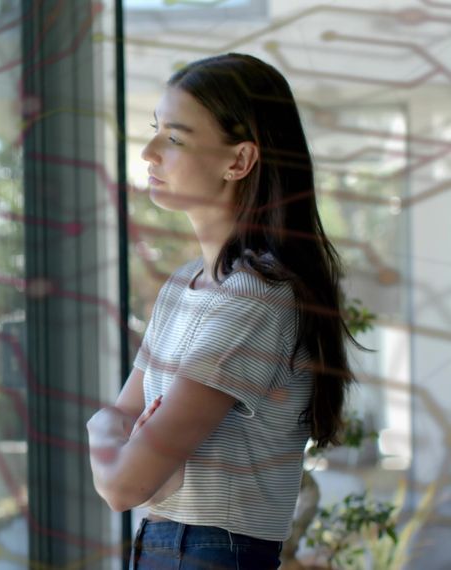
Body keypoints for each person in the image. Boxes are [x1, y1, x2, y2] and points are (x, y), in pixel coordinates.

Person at [86, 53, 362, 569]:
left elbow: (126, 484)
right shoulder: (183, 286)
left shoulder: (256, 297)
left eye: (174, 138)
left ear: (238, 162)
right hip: (163, 546)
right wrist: (110, 425)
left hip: (212, 554)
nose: (148, 153)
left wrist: (106, 430)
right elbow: (123, 426)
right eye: (155, 131)